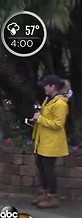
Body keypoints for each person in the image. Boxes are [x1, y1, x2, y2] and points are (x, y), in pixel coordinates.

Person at [31, 74, 69, 208]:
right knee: (41, 167)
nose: (44, 89)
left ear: (53, 86)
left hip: (52, 143)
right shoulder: (48, 100)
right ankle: (45, 192)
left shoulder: (60, 104)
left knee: (49, 170)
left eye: (46, 86)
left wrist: (40, 120)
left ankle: (53, 197)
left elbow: (58, 124)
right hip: (42, 140)